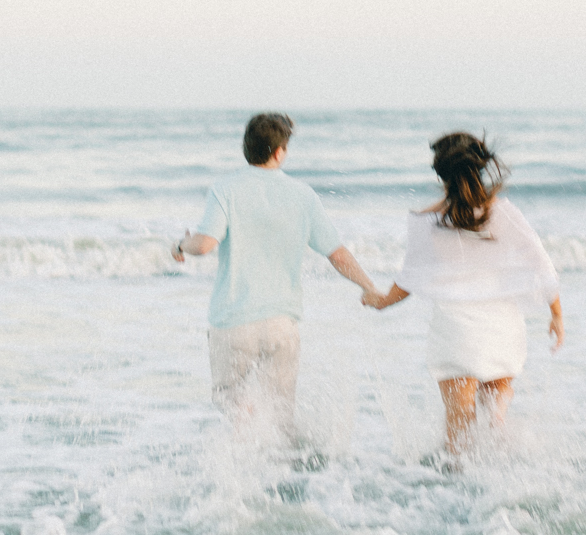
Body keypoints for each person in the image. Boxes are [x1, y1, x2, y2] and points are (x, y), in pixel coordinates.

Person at [172, 112, 380, 432]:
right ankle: (285, 474)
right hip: (281, 326)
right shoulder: (303, 195)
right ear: (279, 152)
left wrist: (180, 245)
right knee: (281, 417)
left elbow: (204, 245)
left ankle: (245, 467)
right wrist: (369, 287)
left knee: (233, 404)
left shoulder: (225, 189)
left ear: (246, 148)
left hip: (233, 322)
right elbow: (337, 254)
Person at [363, 131, 564, 456]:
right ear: (480, 168)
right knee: (494, 417)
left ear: (440, 173)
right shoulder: (504, 213)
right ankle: (498, 453)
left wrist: (379, 300)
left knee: (458, 441)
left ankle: (455, 494)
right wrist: (556, 314)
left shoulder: (427, 220)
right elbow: (541, 265)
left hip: (456, 332)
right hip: (502, 328)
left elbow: (408, 280)